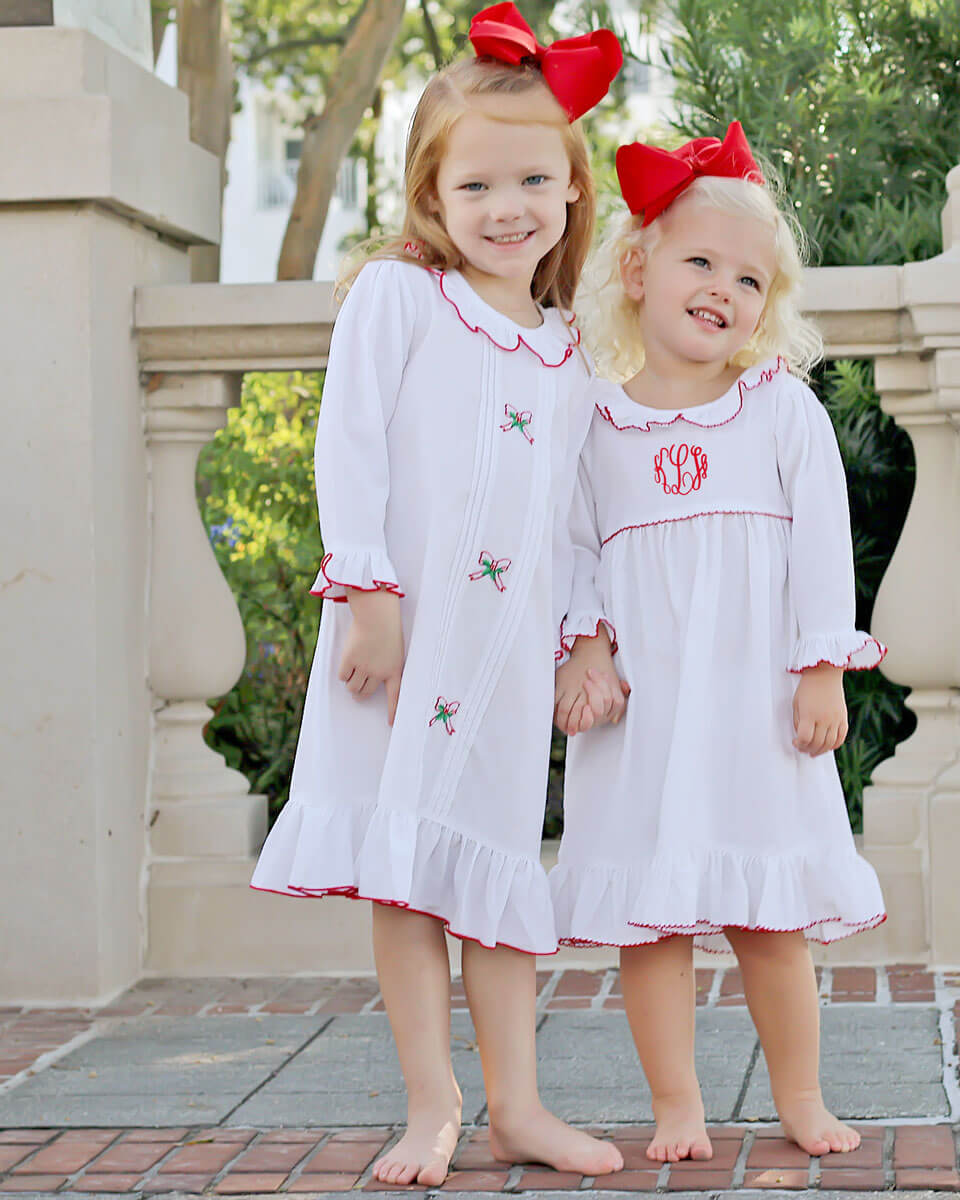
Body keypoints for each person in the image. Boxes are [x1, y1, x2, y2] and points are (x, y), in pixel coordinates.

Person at [250, 4, 626, 1185]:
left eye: (533, 179)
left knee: (501, 879)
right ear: (431, 197)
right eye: (476, 186)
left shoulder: (573, 351)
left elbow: (579, 521)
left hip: (506, 666)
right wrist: (366, 596)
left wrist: (582, 643)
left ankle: (518, 1103)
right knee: (406, 876)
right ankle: (433, 1103)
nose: (507, 207)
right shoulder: (400, 301)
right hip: (403, 642)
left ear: (572, 190)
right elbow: (346, 447)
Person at [551, 121, 888, 1165]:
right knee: (650, 923)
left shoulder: (776, 410)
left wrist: (821, 664)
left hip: (752, 703)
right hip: (647, 711)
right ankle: (678, 1107)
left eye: (748, 278)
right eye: (700, 261)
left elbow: (824, 544)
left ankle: (799, 1095)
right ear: (637, 267)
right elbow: (573, 552)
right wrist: (587, 649)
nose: (722, 289)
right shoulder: (594, 422)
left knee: (766, 915)